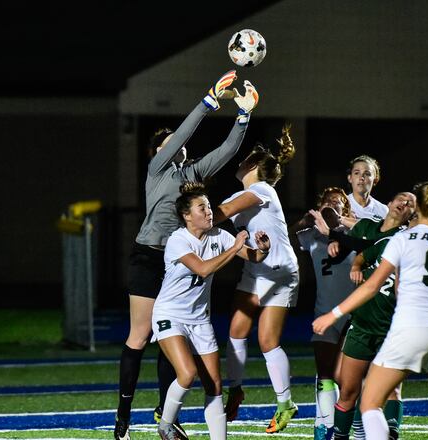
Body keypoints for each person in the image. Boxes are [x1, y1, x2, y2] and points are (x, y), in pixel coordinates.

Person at [114, 70, 259, 440]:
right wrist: (208, 101)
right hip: (151, 257)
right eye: (166, 142)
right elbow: (181, 135)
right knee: (140, 335)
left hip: (177, 267)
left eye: (174, 141)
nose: (173, 143)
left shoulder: (192, 173)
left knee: (171, 346)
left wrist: (243, 117)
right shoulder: (156, 170)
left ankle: (166, 414)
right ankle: (123, 417)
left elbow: (227, 152)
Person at [313, 181, 428, 440]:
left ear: (419, 208)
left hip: (407, 326)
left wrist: (333, 315)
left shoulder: (403, 238)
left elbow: (373, 287)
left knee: (369, 402)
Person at [153, 182, 270, 440]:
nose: (209, 212)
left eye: (208, 206)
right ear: (187, 216)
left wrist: (262, 249)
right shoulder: (178, 240)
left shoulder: (219, 235)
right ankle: (166, 425)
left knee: (215, 385)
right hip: (170, 315)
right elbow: (203, 269)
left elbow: (253, 257)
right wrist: (234, 248)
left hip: (199, 319)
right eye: (202, 208)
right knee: (187, 373)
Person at [214, 125, 299, 433]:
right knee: (236, 331)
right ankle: (235, 389)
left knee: (267, 340)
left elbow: (219, 214)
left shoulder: (261, 190)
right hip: (255, 269)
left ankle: (285, 402)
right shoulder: (246, 193)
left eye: (243, 160)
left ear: (251, 165)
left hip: (279, 272)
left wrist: (192, 210)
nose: (238, 163)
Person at [310, 191, 416, 440]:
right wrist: (354, 262)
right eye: (400, 198)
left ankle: (390, 433)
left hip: (392, 326)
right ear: (389, 203)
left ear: (412, 216)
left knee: (391, 390)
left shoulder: (404, 238)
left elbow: (364, 245)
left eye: (410, 204)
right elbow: (364, 248)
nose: (403, 204)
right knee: (347, 390)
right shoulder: (369, 228)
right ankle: (341, 434)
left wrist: (336, 236)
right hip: (362, 323)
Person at [292, 187, 356, 440]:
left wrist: (340, 222)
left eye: (338, 202)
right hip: (324, 311)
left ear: (345, 209)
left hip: (352, 313)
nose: (332, 205)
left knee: (345, 376)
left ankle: (347, 424)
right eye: (327, 201)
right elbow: (284, 239)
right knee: (325, 372)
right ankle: (325, 425)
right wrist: (304, 221)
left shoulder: (354, 231)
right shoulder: (311, 236)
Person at [346, 155, 388, 223]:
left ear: (375, 180)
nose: (361, 177)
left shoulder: (384, 210)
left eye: (367, 174)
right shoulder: (340, 205)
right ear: (350, 178)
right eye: (356, 173)